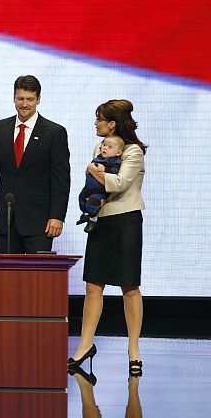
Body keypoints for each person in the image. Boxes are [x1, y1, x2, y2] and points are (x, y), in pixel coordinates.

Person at [69, 100, 147, 376]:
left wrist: (95, 172)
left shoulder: (133, 151)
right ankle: (84, 346)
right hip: (102, 221)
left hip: (125, 222)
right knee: (93, 285)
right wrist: (95, 177)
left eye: (99, 119)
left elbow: (118, 183)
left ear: (112, 123)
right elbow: (94, 184)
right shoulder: (99, 149)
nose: (95, 123)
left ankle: (134, 350)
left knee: (129, 287)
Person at [0, 75, 70, 254]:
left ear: (38, 99)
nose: (24, 104)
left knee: (38, 280)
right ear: (14, 98)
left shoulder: (54, 132)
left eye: (30, 99)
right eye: (20, 98)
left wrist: (57, 216)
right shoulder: (1, 128)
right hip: (6, 219)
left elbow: (61, 179)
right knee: (6, 279)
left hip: (40, 222)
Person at [76, 135, 125, 233]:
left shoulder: (114, 161)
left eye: (110, 147)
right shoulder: (98, 157)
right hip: (88, 188)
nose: (105, 148)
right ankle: (85, 214)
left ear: (118, 152)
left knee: (93, 202)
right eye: (104, 145)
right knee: (81, 197)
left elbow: (115, 172)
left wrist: (105, 169)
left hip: (99, 190)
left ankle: (93, 220)